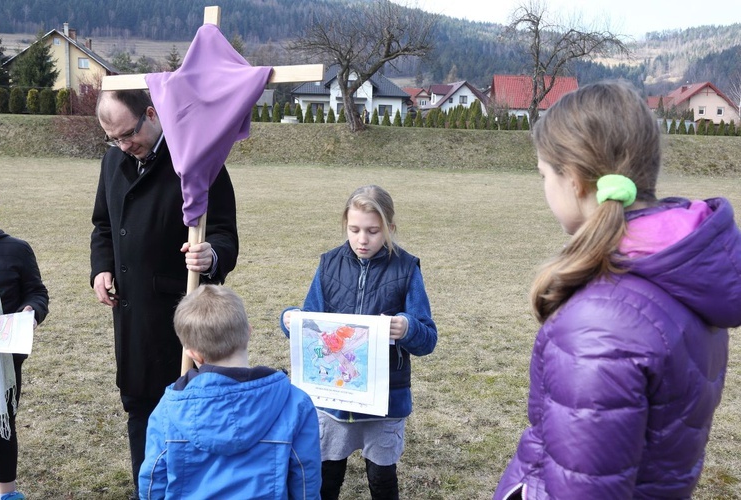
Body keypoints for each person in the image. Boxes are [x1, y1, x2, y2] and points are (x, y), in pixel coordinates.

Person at [493, 81, 741, 499]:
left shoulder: (602, 324)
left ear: (574, 179)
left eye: (543, 175)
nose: (544, 188)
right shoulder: (680, 273)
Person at [90, 89, 239, 496]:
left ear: (151, 114)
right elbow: (103, 226)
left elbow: (225, 234)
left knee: (186, 410)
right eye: (113, 138)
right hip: (131, 316)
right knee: (138, 407)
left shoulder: (195, 159)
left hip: (180, 318)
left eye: (128, 134)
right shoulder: (113, 161)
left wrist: (211, 256)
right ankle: (149, 487)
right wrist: (101, 268)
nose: (124, 145)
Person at [280, 185, 438, 500]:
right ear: (345, 225)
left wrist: (406, 328)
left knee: (381, 479)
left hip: (386, 402)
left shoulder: (406, 268)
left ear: (389, 229)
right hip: (333, 401)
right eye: (354, 229)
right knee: (326, 477)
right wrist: (290, 320)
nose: (362, 239)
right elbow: (310, 322)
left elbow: (428, 338)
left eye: (372, 231)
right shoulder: (329, 264)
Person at [139, 285, 321, 499]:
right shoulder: (296, 404)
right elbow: (305, 480)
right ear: (249, 332)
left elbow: (153, 481)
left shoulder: (167, 410)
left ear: (191, 353)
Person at [0, 191, 49, 500]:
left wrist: (32, 311)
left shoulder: (15, 249)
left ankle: (7, 493)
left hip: (2, 357)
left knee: (1, 421)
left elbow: (37, 292)